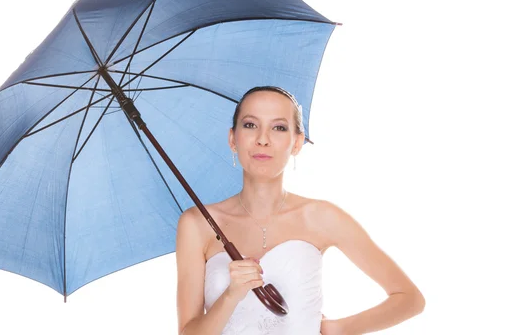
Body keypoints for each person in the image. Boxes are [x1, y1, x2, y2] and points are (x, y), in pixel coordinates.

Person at [176, 86, 425, 335]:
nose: (263, 138)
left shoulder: (322, 217)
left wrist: (337, 329)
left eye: (279, 127)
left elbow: (409, 298)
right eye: (250, 125)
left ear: (297, 142)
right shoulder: (197, 224)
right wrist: (231, 295)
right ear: (233, 138)